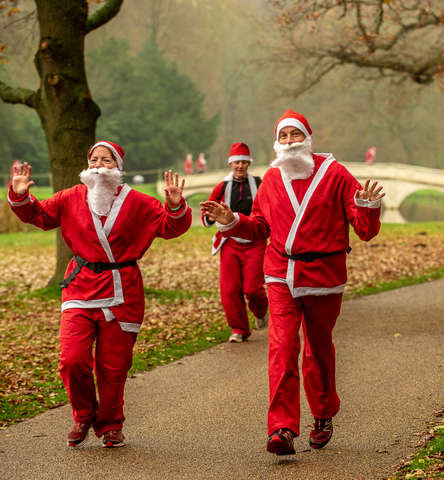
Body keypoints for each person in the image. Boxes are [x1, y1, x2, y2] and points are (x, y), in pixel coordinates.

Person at [201, 110, 385, 456]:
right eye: (283, 136)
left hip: (324, 277)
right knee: (282, 348)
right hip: (280, 275)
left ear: (308, 138)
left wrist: (368, 206)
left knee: (318, 349)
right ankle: (282, 428)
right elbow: (258, 227)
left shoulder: (335, 174)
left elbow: (365, 230)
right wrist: (232, 222)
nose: (289, 142)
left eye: (295, 135)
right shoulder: (272, 178)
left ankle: (323, 411)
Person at [6, 141, 191, 448]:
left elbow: (171, 228)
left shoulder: (139, 202)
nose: (98, 165)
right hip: (81, 287)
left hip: (123, 291)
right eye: (93, 160)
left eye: (107, 160)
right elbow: (38, 216)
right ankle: (83, 413)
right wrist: (21, 195)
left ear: (118, 167)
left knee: (114, 366)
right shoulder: (70, 197)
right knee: (72, 359)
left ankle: (111, 424)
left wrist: (173, 206)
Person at [201, 142, 268, 342]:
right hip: (229, 242)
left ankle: (260, 312)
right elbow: (207, 215)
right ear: (231, 164)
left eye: (244, 162)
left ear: (248, 164)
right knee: (230, 289)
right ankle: (239, 329)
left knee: (252, 288)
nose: (240, 166)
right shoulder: (222, 186)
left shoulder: (259, 183)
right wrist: (212, 217)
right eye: (236, 162)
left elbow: (271, 207)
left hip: (255, 241)